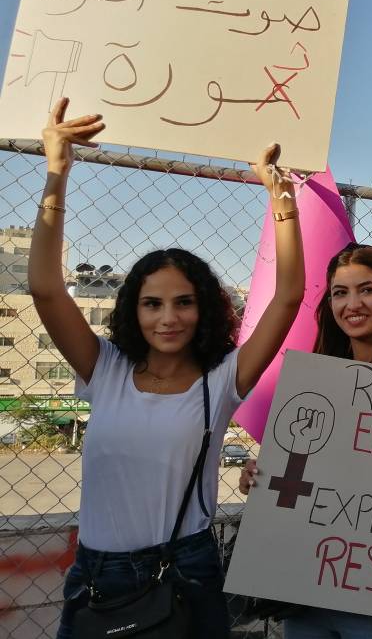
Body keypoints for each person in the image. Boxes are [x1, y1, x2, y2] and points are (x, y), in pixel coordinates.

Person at [34, 99, 305, 639]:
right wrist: (57, 171)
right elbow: (45, 288)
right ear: (133, 310)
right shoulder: (104, 369)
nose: (168, 318)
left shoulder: (222, 379)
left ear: (204, 309)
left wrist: (281, 198)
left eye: (184, 302)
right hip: (97, 575)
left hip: (186, 570)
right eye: (152, 303)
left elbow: (288, 296)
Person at [240, 243, 372, 639]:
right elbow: (299, 466)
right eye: (340, 292)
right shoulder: (314, 376)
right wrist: (261, 475)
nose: (352, 303)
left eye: (366, 289)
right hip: (307, 587)